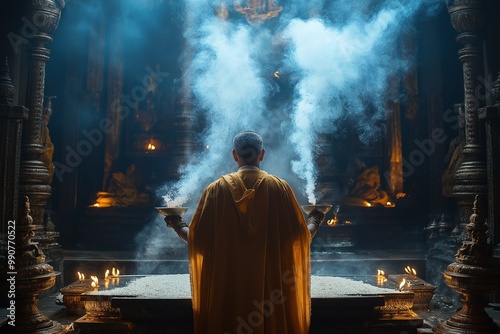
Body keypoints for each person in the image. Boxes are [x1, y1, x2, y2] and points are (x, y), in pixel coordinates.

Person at [164, 130, 326, 334]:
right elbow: (300, 240)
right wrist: (316, 219)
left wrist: (176, 223)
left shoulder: (215, 191)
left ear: (234, 155)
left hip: (227, 293)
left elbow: (198, 242)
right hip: (269, 300)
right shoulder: (280, 189)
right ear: (262, 154)